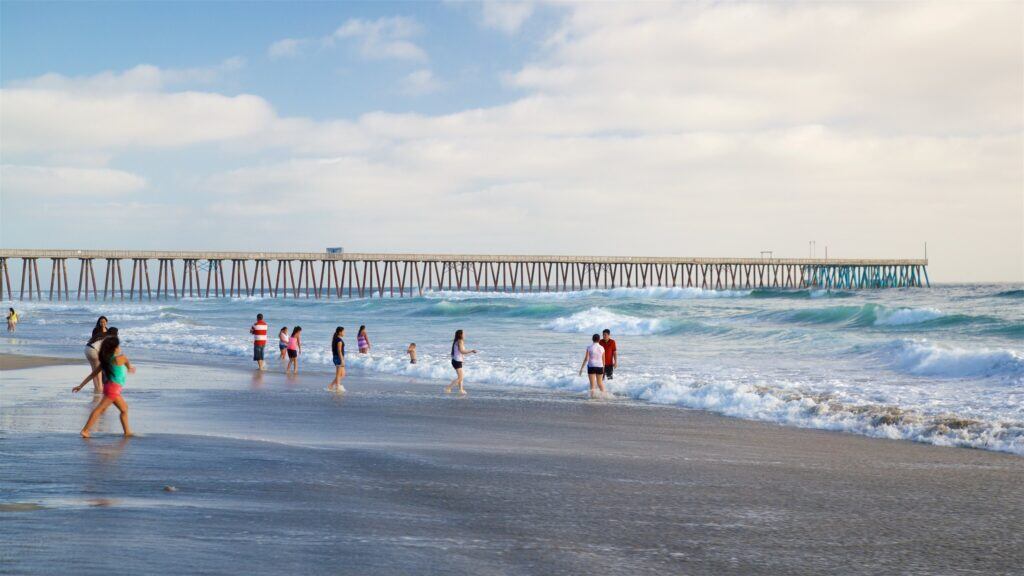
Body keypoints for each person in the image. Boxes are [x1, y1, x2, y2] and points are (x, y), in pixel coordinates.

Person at [73, 336, 135, 438]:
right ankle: (85, 430)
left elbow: (92, 375)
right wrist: (130, 368)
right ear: (115, 347)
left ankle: (127, 432)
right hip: (113, 389)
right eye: (118, 345)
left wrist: (80, 386)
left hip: (109, 388)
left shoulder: (106, 361)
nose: (119, 347)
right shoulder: (120, 358)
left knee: (124, 409)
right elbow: (127, 362)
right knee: (100, 409)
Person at [444, 329, 477, 396]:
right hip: (457, 361)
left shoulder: (456, 341)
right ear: (460, 334)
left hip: (455, 360)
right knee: (461, 377)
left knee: (460, 376)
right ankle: (448, 388)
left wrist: (462, 359)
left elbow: (459, 352)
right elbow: (462, 351)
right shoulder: (460, 341)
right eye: (463, 333)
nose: (465, 335)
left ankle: (461, 390)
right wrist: (471, 351)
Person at [84, 316, 109, 393]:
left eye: (104, 322)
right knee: (97, 370)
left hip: (97, 351)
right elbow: (95, 342)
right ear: (99, 323)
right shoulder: (96, 330)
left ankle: (97, 388)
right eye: (101, 322)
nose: (103, 323)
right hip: (94, 351)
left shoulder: (108, 330)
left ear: (106, 322)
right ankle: (99, 388)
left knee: (96, 370)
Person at [578, 333, 606, 398]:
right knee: (600, 383)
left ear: (592, 339)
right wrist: (603, 369)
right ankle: (604, 396)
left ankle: (592, 398)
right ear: (599, 340)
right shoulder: (602, 348)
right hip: (600, 367)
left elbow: (586, 359)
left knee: (592, 385)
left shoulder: (589, 347)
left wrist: (581, 368)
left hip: (591, 366)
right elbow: (604, 360)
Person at [329, 326, 346, 392]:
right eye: (343, 331)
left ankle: (332, 385)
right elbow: (339, 351)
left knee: (342, 374)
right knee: (339, 375)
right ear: (340, 332)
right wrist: (342, 360)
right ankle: (337, 388)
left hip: (336, 357)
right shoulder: (339, 340)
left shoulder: (336, 339)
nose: (344, 333)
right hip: (338, 358)